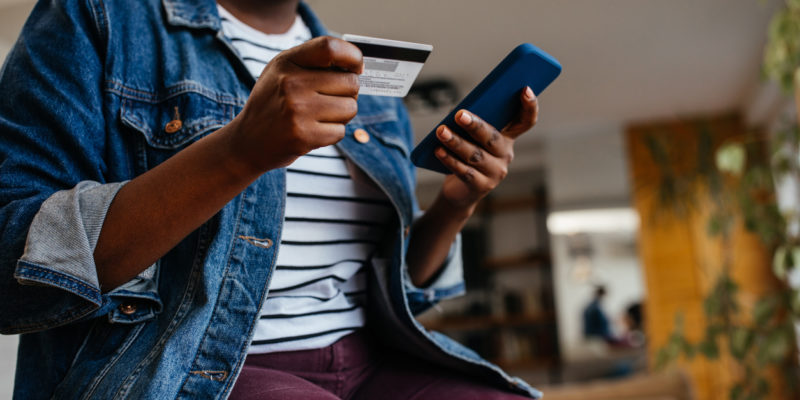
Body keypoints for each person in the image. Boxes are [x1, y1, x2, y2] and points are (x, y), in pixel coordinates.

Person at [0, 0, 542, 399]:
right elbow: (11, 268)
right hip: (189, 370)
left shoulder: (366, 77)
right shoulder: (98, 18)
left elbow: (405, 295)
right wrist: (238, 151)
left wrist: (455, 204)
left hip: (372, 359)